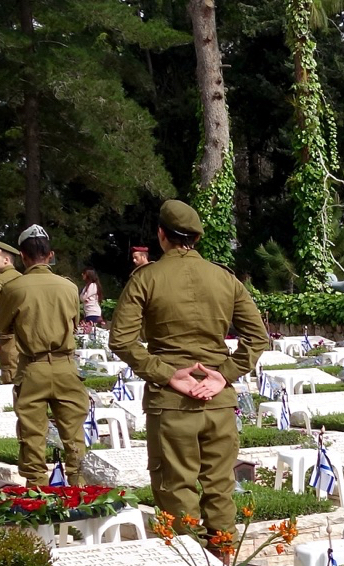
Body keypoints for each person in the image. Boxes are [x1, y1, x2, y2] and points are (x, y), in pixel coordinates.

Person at [110, 199, 271, 537]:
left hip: (171, 401)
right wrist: (224, 374)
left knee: (175, 489)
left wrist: (168, 374)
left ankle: (190, 565)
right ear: (196, 238)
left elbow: (122, 340)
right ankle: (224, 559)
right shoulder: (224, 278)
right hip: (218, 400)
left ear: (161, 235)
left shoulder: (146, 279)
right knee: (220, 488)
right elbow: (258, 337)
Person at [0, 225, 88, 486]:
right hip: (65, 365)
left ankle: (37, 493)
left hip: (32, 367)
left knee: (32, 435)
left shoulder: (14, 288)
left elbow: (3, 326)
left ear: (23, 256)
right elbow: (75, 323)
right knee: (74, 434)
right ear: (50, 255)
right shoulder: (69, 287)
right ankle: (80, 491)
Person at [79, 268, 104, 333]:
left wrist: (84, 298)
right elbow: (82, 297)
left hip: (93, 312)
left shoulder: (92, 285)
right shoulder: (87, 286)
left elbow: (83, 297)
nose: (82, 274)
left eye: (84, 273)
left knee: (91, 332)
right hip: (89, 312)